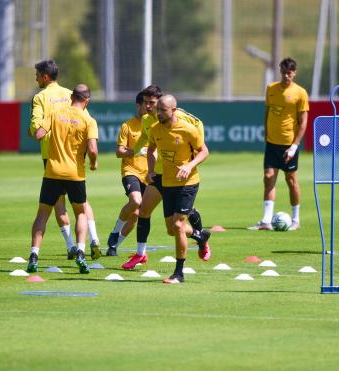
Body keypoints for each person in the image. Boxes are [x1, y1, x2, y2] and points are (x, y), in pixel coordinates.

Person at [114, 85, 210, 271]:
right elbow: (146, 141)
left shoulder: (181, 119)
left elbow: (199, 132)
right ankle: (141, 254)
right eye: (146, 104)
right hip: (159, 174)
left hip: (182, 177)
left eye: (153, 104)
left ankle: (185, 259)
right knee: (144, 211)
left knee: (174, 226)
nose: (149, 108)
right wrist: (141, 161)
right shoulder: (150, 121)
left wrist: (189, 162)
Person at [29, 60, 102, 260]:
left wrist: (34, 130)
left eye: (37, 74)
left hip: (52, 160)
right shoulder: (73, 97)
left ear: (45, 76)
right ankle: (92, 240)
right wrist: (93, 162)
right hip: (76, 165)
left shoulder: (41, 98)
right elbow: (88, 131)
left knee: (54, 207)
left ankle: (68, 246)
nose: (36, 78)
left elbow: (38, 131)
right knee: (81, 205)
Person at [147, 95, 209, 284]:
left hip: (188, 182)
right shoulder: (155, 129)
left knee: (178, 225)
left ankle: (179, 274)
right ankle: (200, 236)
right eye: (158, 110)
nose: (158, 113)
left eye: (163, 110)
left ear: (174, 109)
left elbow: (204, 151)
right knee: (170, 229)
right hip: (168, 183)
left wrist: (189, 166)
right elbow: (151, 149)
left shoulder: (188, 129)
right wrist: (150, 170)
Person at [249, 57, 309, 231]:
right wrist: (266, 133)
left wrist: (294, 146)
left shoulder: (300, 93)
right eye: (283, 73)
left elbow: (303, 122)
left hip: (289, 144)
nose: (286, 76)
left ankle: (296, 219)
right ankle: (266, 220)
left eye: (289, 73)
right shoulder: (271, 89)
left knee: (291, 179)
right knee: (268, 177)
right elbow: (267, 111)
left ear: (294, 73)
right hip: (272, 143)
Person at [106, 92, 147, 253]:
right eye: (146, 104)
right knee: (136, 201)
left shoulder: (155, 126)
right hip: (131, 171)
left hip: (149, 175)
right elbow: (119, 152)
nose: (149, 107)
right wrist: (137, 150)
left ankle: (114, 245)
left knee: (136, 214)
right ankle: (115, 231)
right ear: (138, 106)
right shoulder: (128, 126)